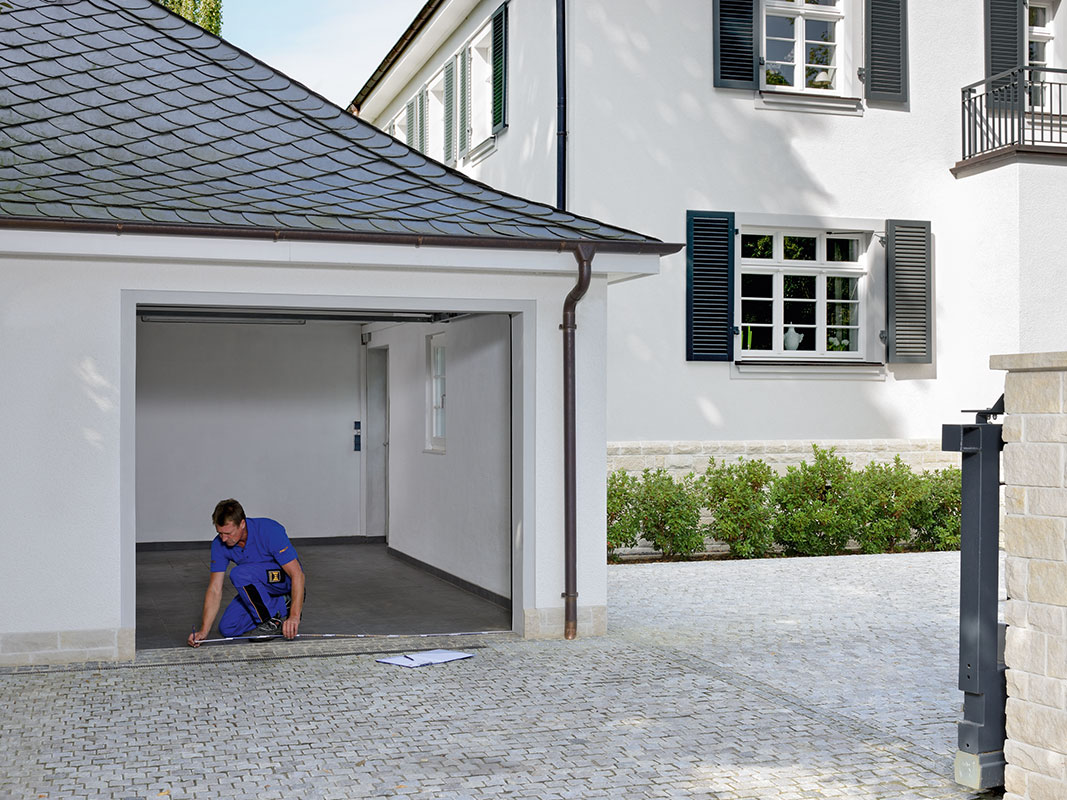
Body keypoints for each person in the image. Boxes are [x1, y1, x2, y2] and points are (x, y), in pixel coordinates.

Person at [187, 499, 305, 647]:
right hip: (257, 584)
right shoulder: (219, 544)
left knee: (239, 574)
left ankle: (271, 621)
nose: (223, 539)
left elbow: (297, 575)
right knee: (228, 628)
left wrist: (294, 617)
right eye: (220, 533)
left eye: (228, 533)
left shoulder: (269, 530)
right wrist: (203, 631)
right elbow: (215, 589)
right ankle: (283, 603)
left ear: (242, 524)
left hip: (282, 581)